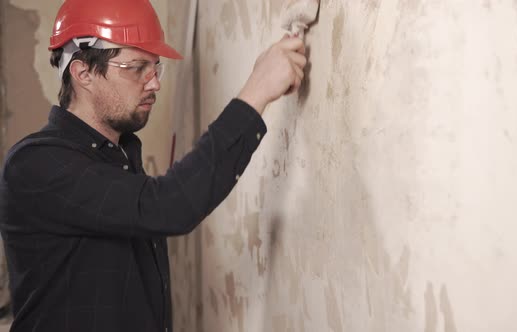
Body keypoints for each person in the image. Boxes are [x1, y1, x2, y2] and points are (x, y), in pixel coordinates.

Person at [0, 0, 307, 331]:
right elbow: (169, 206)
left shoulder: (119, 158)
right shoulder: (35, 165)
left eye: (156, 67)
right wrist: (257, 91)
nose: (155, 83)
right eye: (136, 68)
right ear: (83, 73)